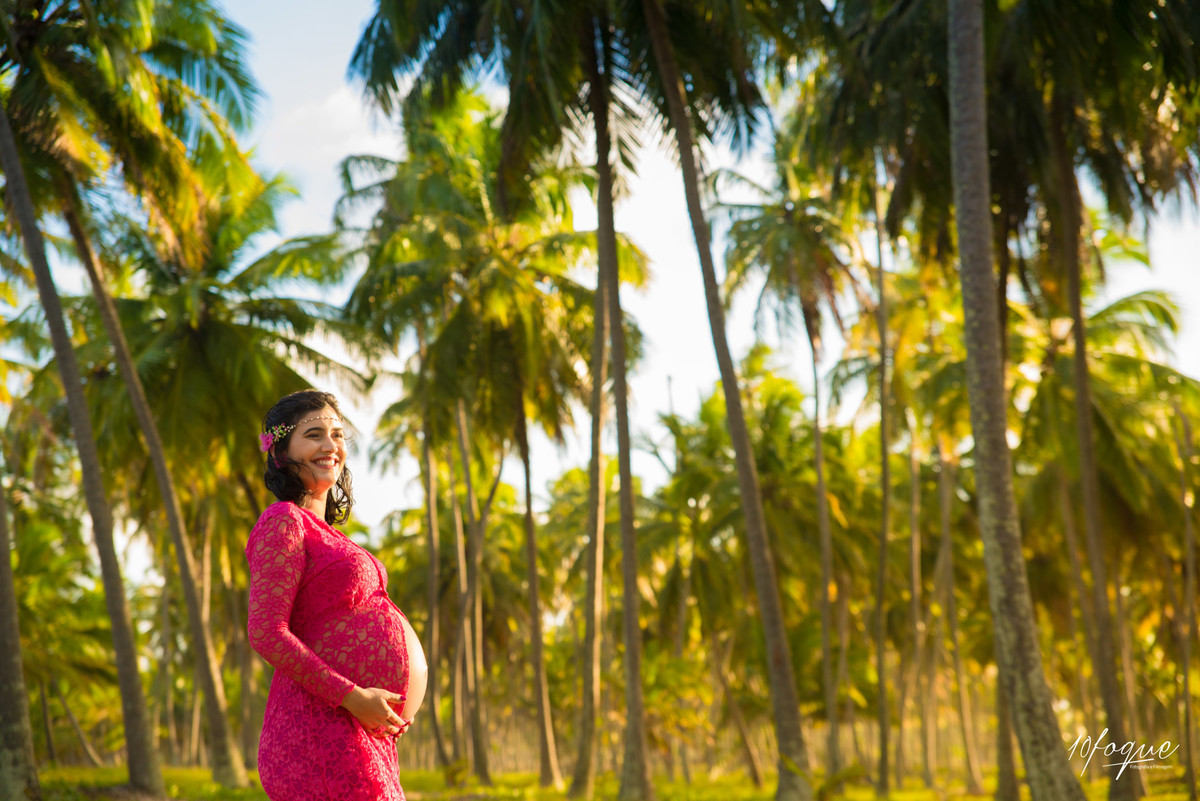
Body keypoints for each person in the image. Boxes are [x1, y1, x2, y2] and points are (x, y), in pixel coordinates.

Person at [246, 389, 427, 800]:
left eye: (337, 434)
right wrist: (353, 696)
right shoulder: (284, 520)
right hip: (317, 729)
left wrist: (391, 705)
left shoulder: (329, 534)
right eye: (313, 434)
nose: (330, 445)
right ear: (281, 452)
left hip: (361, 730)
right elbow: (265, 631)